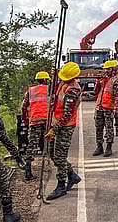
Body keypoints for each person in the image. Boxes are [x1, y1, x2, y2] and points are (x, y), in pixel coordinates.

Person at [45, 62, 82, 200]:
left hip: (65, 126)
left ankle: (61, 186)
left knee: (60, 156)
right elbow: (55, 95)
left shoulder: (73, 89)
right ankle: (72, 175)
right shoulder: (63, 83)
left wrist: (54, 129)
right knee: (52, 153)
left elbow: (67, 115)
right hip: (57, 123)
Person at [21, 71, 51, 181]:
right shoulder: (50, 90)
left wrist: (26, 120)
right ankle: (50, 163)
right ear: (45, 80)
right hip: (48, 121)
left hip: (34, 121)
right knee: (48, 141)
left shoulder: (30, 91)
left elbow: (24, 107)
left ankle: (28, 169)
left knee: (32, 145)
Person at [93, 60, 118, 157]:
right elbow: (95, 92)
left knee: (109, 128)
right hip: (99, 107)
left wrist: (116, 109)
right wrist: (97, 82)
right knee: (98, 127)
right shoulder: (101, 80)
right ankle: (99, 146)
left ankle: (109, 147)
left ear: (113, 70)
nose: (106, 70)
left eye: (108, 69)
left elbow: (117, 96)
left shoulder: (115, 80)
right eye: (105, 69)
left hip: (109, 108)